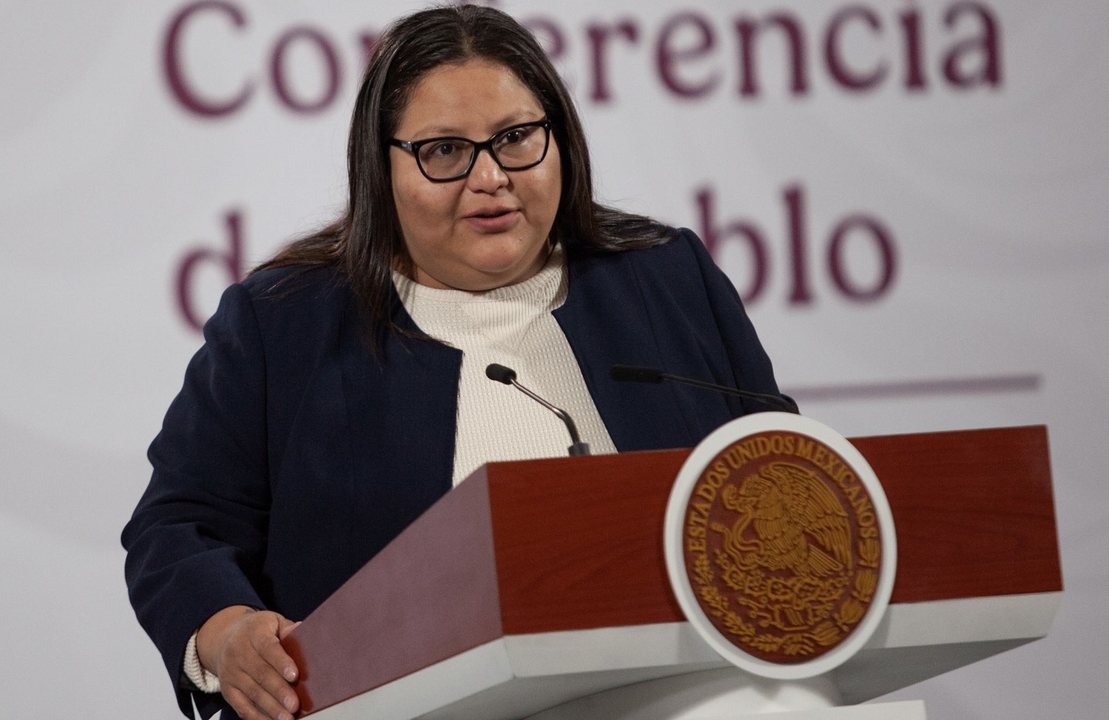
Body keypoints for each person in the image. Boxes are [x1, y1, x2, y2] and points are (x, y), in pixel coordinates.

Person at [122, 5, 782, 720]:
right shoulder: (285, 322)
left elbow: (783, 475)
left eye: (516, 138)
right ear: (382, 167)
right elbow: (178, 525)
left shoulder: (666, 278)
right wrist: (224, 633)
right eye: (444, 151)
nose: (491, 176)